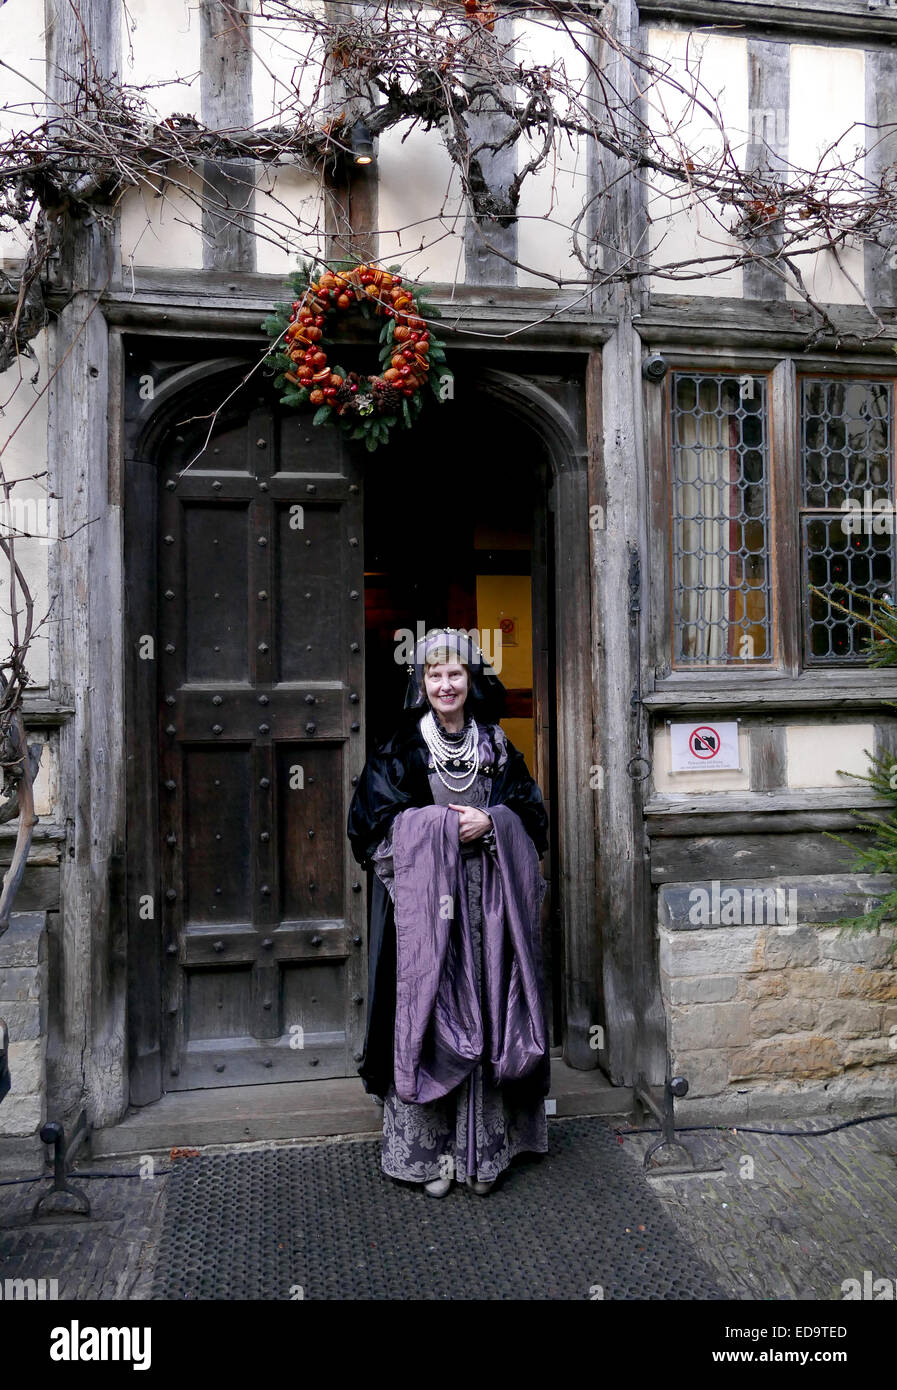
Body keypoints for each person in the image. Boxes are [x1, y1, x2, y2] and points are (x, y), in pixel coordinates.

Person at [346, 627, 551, 1198]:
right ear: (421, 683)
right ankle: (431, 1159)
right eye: (434, 675)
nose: (445, 684)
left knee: (487, 1010)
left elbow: (531, 816)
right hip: (427, 915)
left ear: (471, 680)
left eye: (454, 673)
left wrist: (494, 822)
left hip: (488, 907)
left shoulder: (497, 746)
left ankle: (484, 1155)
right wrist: (435, 828)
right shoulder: (402, 749)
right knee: (431, 1016)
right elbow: (368, 827)